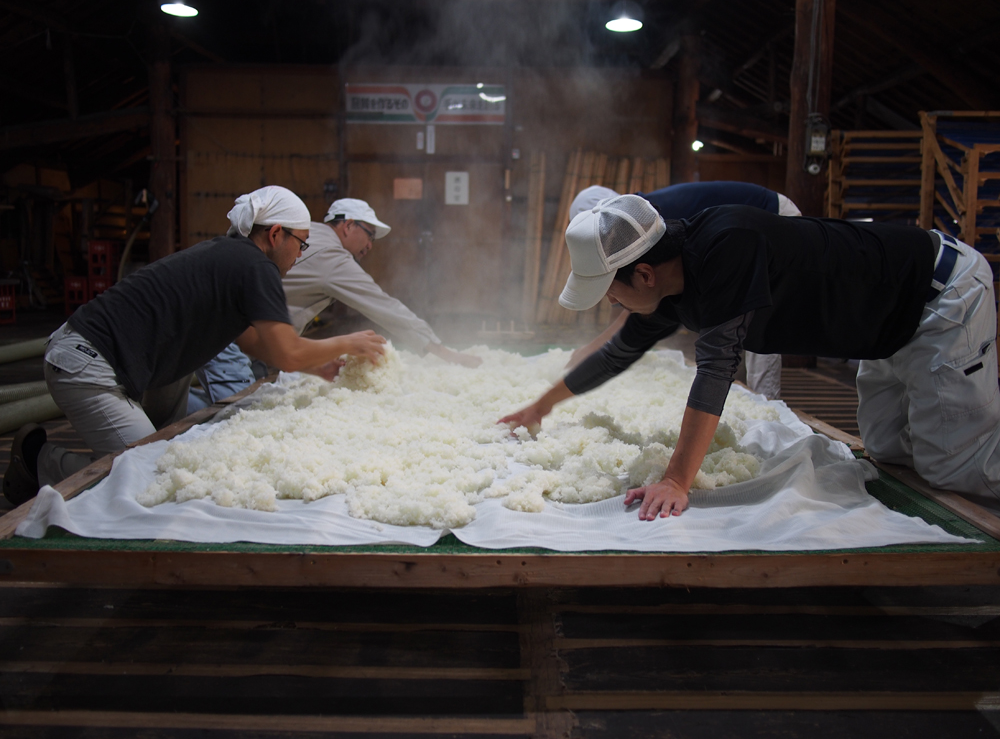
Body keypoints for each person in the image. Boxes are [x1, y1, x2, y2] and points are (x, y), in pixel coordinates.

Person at [501, 194, 999, 520]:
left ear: (644, 273)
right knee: (890, 452)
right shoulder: (669, 290)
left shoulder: (727, 244)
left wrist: (678, 479)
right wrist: (541, 406)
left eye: (611, 292)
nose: (611, 304)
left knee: (952, 468)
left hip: (937, 297)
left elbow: (717, 367)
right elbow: (617, 354)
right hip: (882, 326)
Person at [3, 186, 386, 506]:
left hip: (111, 361)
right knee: (150, 481)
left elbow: (254, 341)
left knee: (165, 457)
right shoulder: (255, 267)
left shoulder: (229, 257)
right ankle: (38, 461)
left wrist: (314, 366)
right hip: (88, 364)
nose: (300, 255)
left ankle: (94, 459)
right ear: (275, 235)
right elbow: (285, 351)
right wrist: (349, 342)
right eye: (300, 244)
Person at [189, 197, 480, 412]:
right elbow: (382, 305)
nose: (370, 245)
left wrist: (310, 363)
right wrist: (438, 348)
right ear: (348, 225)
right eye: (369, 234)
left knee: (242, 399)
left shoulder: (310, 235)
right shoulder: (330, 255)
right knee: (237, 414)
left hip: (251, 337)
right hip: (230, 335)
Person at [566, 182, 802, 400]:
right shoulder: (634, 221)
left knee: (757, 313)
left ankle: (766, 399)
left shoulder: (647, 223)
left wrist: (595, 348)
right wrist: (601, 346)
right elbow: (630, 301)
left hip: (773, 216)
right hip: (742, 229)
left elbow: (640, 301)